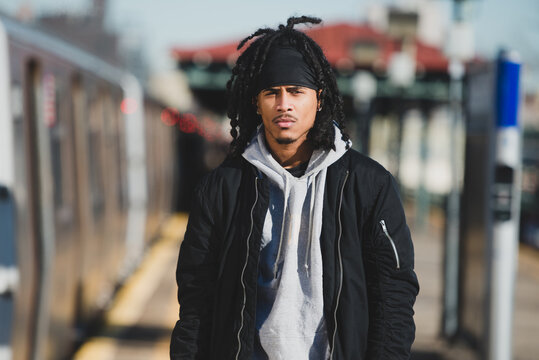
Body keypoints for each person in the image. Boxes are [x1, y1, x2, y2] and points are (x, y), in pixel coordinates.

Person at [170, 16, 419, 360]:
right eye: (272, 93)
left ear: (318, 100)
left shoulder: (368, 185)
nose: (284, 104)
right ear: (257, 103)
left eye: (296, 92)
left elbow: (395, 295)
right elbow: (196, 300)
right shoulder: (222, 189)